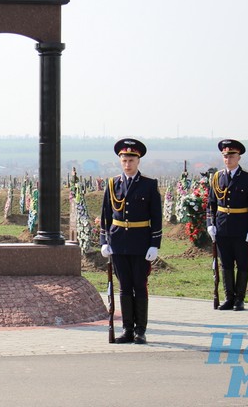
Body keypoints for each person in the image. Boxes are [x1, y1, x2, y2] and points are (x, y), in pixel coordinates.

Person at [99, 138, 162, 344]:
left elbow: (156, 216)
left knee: (139, 285)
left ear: (138, 161)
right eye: (124, 160)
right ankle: (127, 329)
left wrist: (155, 243)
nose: (127, 164)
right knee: (124, 286)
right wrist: (104, 241)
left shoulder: (149, 185)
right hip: (118, 242)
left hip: (141, 242)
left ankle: (140, 330)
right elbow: (106, 215)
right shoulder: (112, 184)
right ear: (120, 161)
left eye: (131, 160)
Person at [207, 139, 248, 311]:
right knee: (226, 263)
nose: (228, 159)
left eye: (231, 156)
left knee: (242, 264)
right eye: (225, 156)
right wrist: (210, 224)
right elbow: (211, 204)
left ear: (239, 157)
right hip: (222, 227)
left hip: (241, 227)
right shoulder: (217, 178)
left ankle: (240, 299)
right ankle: (229, 298)